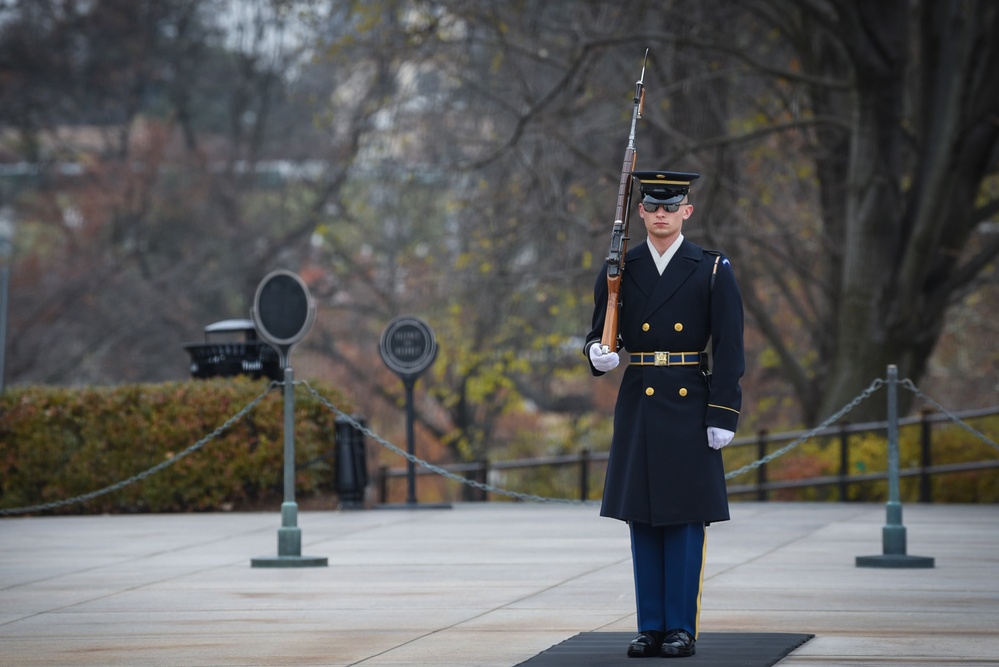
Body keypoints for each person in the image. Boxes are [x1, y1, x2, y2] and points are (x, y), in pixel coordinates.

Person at [583, 170, 745, 658]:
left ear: (686, 212)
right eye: (652, 207)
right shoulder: (621, 267)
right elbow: (597, 332)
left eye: (669, 207)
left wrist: (723, 411)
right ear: (640, 213)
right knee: (643, 518)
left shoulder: (712, 268)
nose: (660, 214)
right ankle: (649, 626)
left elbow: (730, 348)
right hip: (639, 399)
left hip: (691, 401)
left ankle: (680, 627)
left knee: (684, 517)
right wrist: (598, 354)